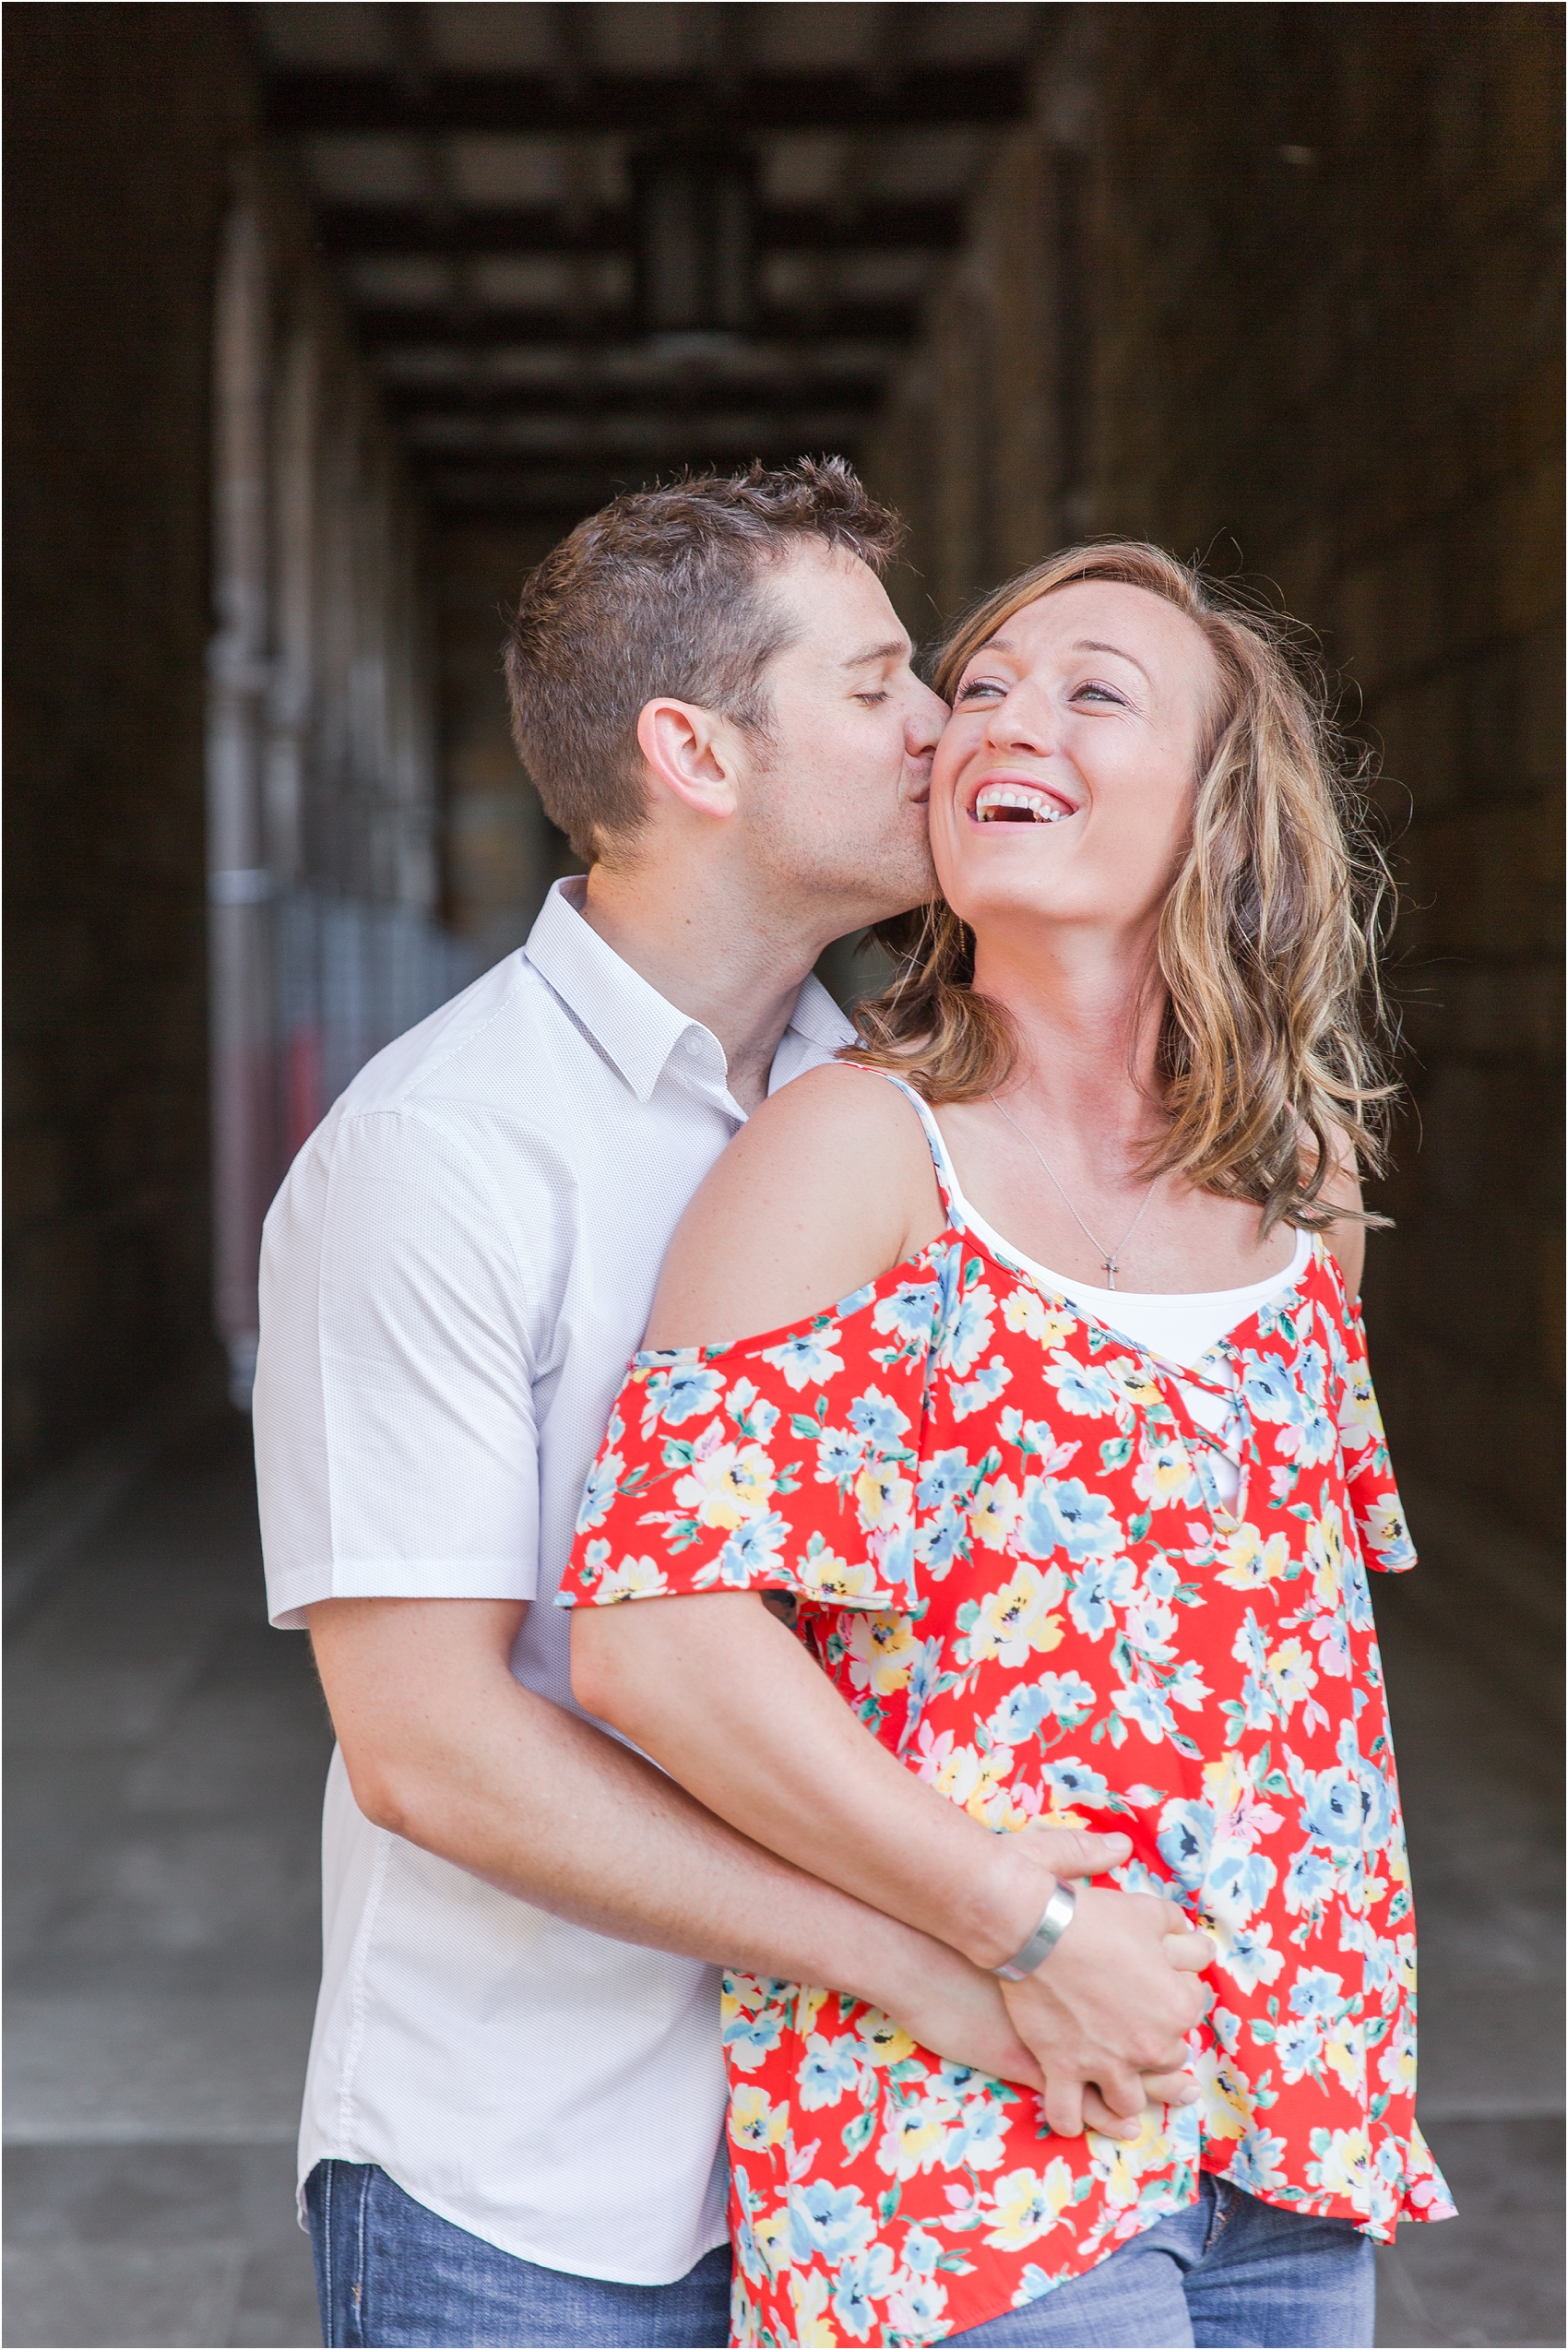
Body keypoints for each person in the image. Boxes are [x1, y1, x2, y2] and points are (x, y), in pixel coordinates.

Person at [253, 469, 1205, 2350]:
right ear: (694, 751)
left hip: (892, 2154)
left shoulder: (912, 1116)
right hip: (529, 2189)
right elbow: (431, 1745)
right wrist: (941, 1947)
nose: (952, 724)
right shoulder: (436, 1154)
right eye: (877, 687)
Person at [563, 541, 1457, 2348]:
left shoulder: (1301, 1184)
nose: (999, 721)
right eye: (977, 687)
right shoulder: (858, 1151)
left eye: (1090, 689)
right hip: (969, 2130)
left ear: (1222, 802)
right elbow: (654, 1636)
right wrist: (1019, 1924)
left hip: (1285, 2106)